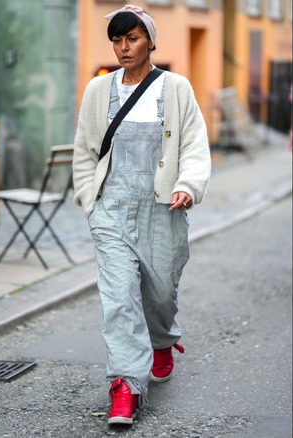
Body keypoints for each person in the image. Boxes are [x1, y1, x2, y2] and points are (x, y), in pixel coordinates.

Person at [72, 4, 211, 427]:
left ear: (150, 41)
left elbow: (194, 145)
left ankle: (163, 339)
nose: (123, 46)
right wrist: (88, 200)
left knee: (160, 292)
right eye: (117, 39)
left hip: (162, 209)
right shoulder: (98, 91)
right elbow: (84, 150)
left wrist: (187, 186)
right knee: (119, 300)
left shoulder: (175, 88)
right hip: (111, 208)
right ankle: (126, 385)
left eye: (131, 38)